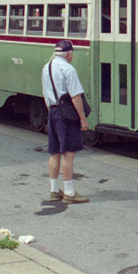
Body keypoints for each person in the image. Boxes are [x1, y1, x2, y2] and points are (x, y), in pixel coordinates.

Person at [42, 39, 89, 205]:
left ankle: (54, 190)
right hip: (66, 116)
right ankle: (69, 192)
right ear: (69, 54)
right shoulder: (68, 69)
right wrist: (83, 119)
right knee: (69, 154)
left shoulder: (46, 67)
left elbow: (45, 94)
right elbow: (76, 96)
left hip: (53, 112)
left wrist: (51, 113)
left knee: (54, 152)